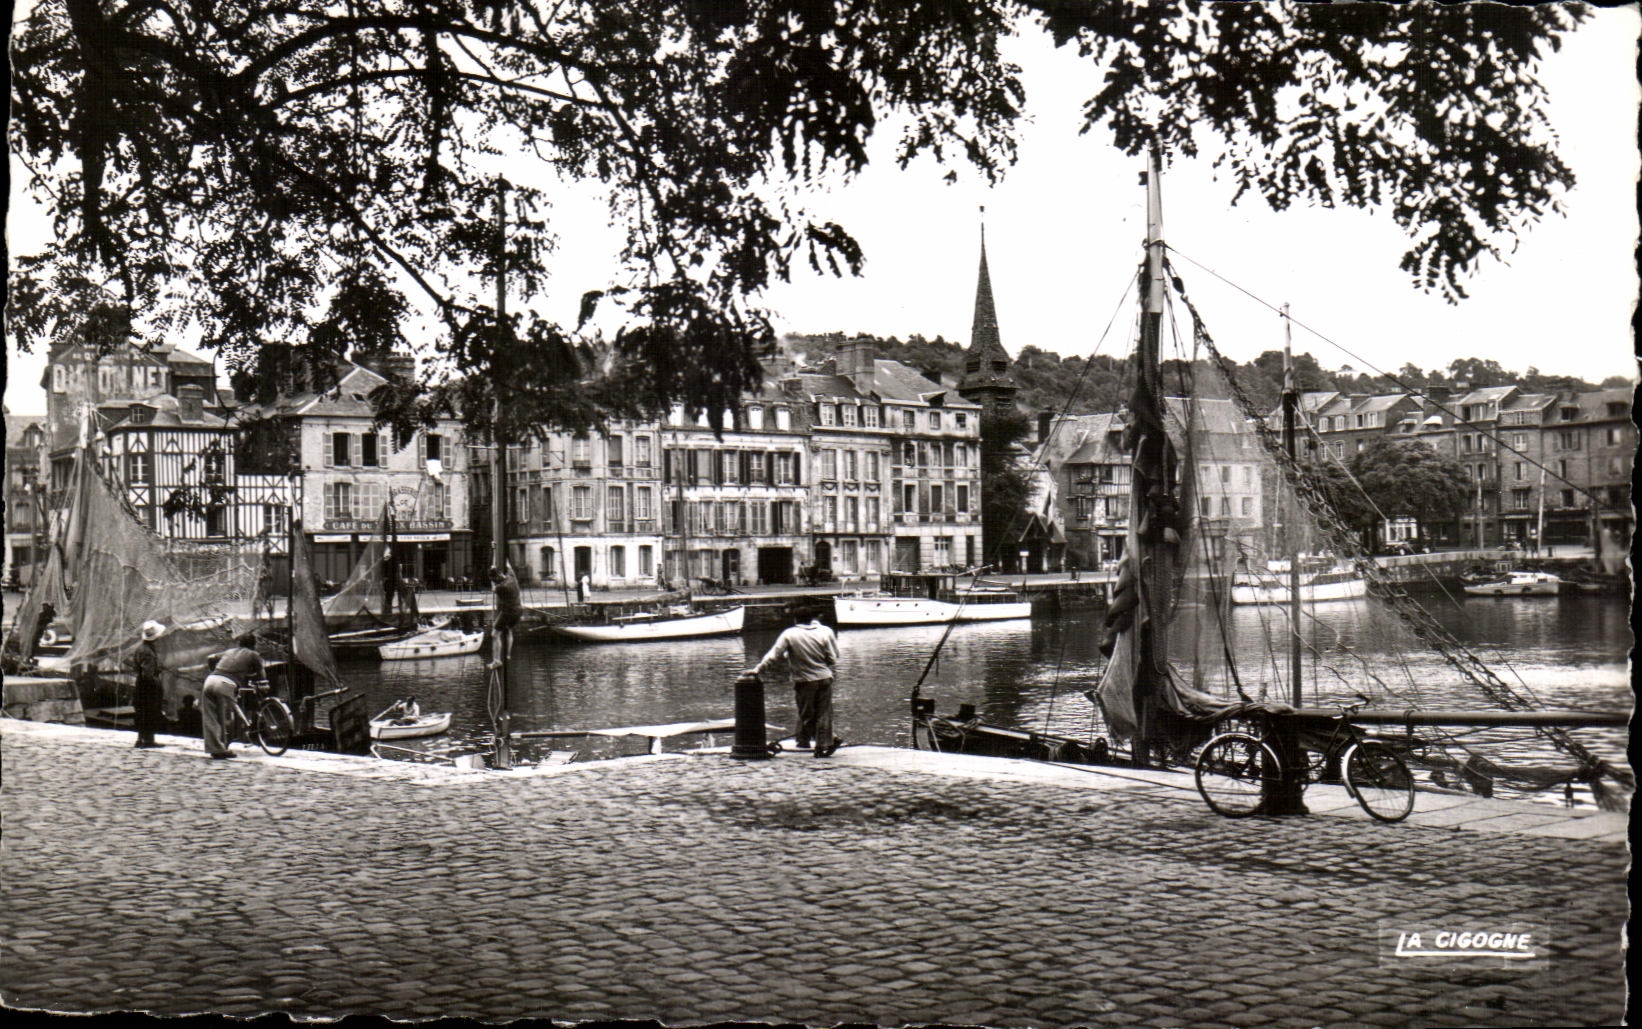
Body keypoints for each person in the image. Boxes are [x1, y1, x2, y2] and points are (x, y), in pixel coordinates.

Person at [746, 603, 842, 757]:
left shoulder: (789, 634)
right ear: (811, 619)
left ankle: (831, 740)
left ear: (796, 619)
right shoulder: (823, 633)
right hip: (825, 678)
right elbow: (832, 658)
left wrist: (758, 669)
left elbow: (773, 655)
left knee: (807, 715)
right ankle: (822, 746)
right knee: (823, 714)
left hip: (805, 681)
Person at [202, 632, 265, 759]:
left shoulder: (229, 651)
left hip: (210, 680)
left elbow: (210, 658)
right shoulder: (253, 654)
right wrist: (264, 684)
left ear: (239, 643)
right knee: (226, 718)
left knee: (211, 718)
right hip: (225, 684)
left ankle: (215, 748)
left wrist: (214, 670)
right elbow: (261, 671)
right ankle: (222, 749)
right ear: (253, 644)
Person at [128, 620, 167, 749]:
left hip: (141, 683)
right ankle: (148, 739)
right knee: (150, 711)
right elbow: (148, 673)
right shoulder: (148, 652)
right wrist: (156, 684)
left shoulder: (140, 648)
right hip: (148, 685)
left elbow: (136, 667)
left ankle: (141, 739)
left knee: (142, 712)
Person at [487, 565, 521, 670]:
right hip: (518, 610)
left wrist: (492, 581)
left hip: (508, 612)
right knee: (509, 630)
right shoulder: (512, 577)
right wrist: (497, 567)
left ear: (497, 576)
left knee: (495, 634)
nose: (494, 581)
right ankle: (508, 655)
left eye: (494, 579)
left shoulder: (502, 587)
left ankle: (497, 661)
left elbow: (493, 589)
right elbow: (509, 566)